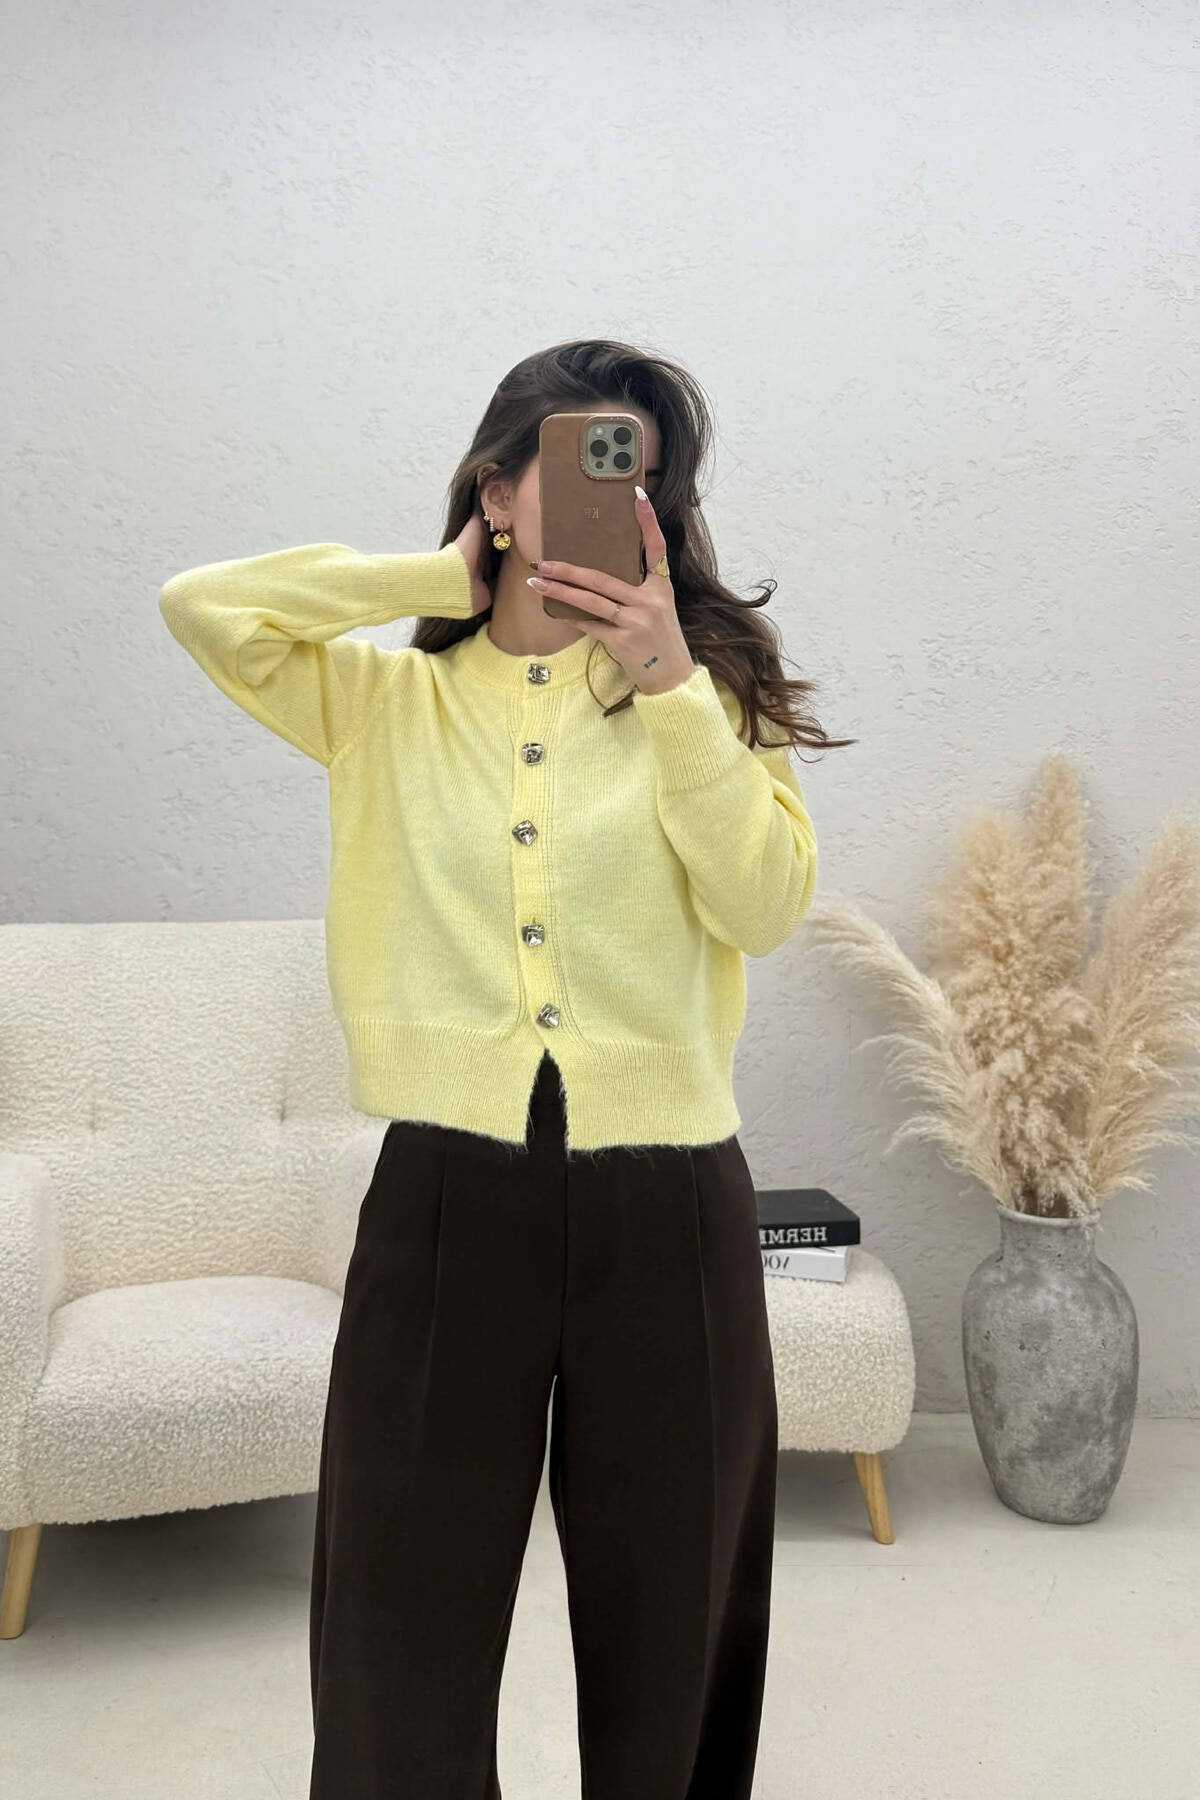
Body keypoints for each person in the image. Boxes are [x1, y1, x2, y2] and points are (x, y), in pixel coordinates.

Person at [159, 337, 849, 1800]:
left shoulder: (703, 692)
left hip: (670, 1200)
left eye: (646, 476)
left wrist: (669, 685)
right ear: (498, 486)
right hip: (445, 1193)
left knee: (674, 1620)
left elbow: (765, 907)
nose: (626, 497)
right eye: (591, 461)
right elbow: (202, 607)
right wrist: (437, 581)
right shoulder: (387, 704)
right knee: (392, 1628)